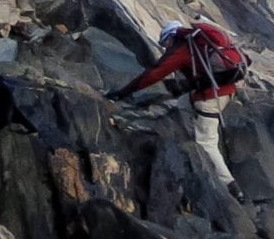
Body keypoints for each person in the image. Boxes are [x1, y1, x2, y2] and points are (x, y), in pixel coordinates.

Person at [105, 19, 248, 199]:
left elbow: (155, 73)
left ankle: (230, 186)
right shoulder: (199, 41)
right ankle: (187, 142)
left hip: (209, 97)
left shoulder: (182, 48)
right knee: (182, 103)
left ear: (171, 37)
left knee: (207, 142)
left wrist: (123, 92)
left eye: (165, 43)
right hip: (226, 90)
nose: (166, 48)